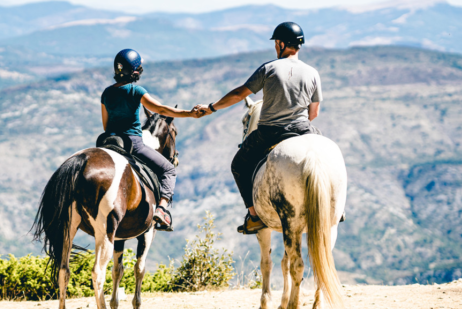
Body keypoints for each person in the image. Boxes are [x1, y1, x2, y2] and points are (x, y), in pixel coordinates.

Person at [195, 22, 323, 234]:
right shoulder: (312, 73)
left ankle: (254, 217)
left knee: (238, 165)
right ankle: (335, 205)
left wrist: (211, 108)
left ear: (281, 44)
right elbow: (314, 113)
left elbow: (239, 95)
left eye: (276, 43)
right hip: (303, 130)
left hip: (270, 131)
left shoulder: (269, 68)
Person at [101, 49, 201, 231]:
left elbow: (105, 125)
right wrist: (189, 113)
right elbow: (161, 109)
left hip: (109, 142)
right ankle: (162, 210)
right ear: (135, 71)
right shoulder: (136, 90)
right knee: (169, 170)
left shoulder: (106, 93)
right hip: (133, 144)